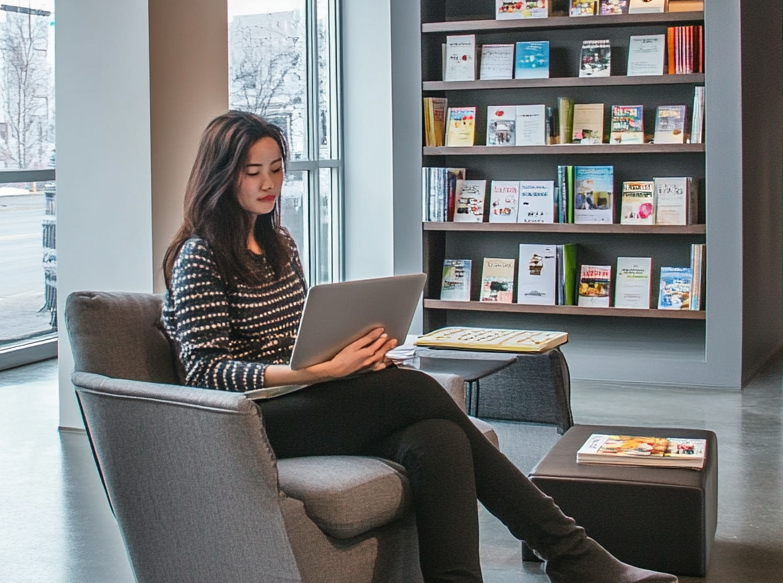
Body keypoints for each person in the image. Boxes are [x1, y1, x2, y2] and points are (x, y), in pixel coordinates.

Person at [160, 111, 676, 583]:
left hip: (301, 399)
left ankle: (533, 566)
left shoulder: (281, 244)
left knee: (438, 438)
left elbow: (296, 339)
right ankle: (572, 553)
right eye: (253, 172)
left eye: (276, 168)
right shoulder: (198, 256)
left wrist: (349, 357)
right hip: (250, 421)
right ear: (222, 174)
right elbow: (203, 371)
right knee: (417, 391)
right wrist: (318, 375)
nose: (269, 182)